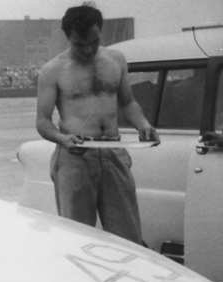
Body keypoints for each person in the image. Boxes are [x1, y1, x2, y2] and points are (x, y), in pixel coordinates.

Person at [36, 3, 160, 244]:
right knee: (77, 239)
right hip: (75, 158)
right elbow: (42, 121)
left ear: (100, 32)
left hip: (114, 154)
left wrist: (143, 124)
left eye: (94, 42)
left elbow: (128, 103)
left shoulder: (116, 60)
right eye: (79, 45)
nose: (88, 50)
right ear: (67, 37)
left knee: (129, 239)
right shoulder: (53, 70)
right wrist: (62, 139)